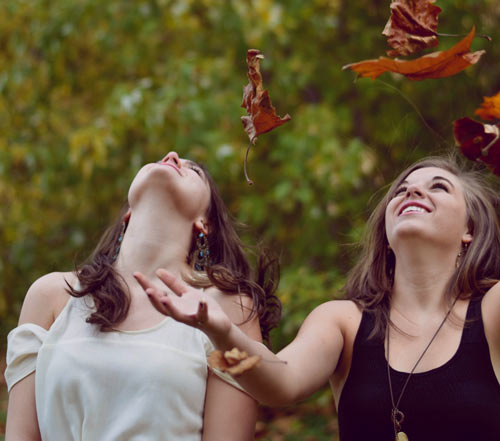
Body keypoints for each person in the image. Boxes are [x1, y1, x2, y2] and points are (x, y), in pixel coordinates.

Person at [136, 155, 500, 441]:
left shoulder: (493, 309)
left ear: (470, 229)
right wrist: (221, 331)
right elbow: (278, 384)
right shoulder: (342, 321)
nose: (412, 192)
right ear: (386, 233)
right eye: (401, 190)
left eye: (439, 187)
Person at [4, 151, 281, 441]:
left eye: (194, 170)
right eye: (165, 158)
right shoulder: (51, 297)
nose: (172, 156)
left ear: (205, 222)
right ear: (128, 213)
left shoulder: (225, 310)